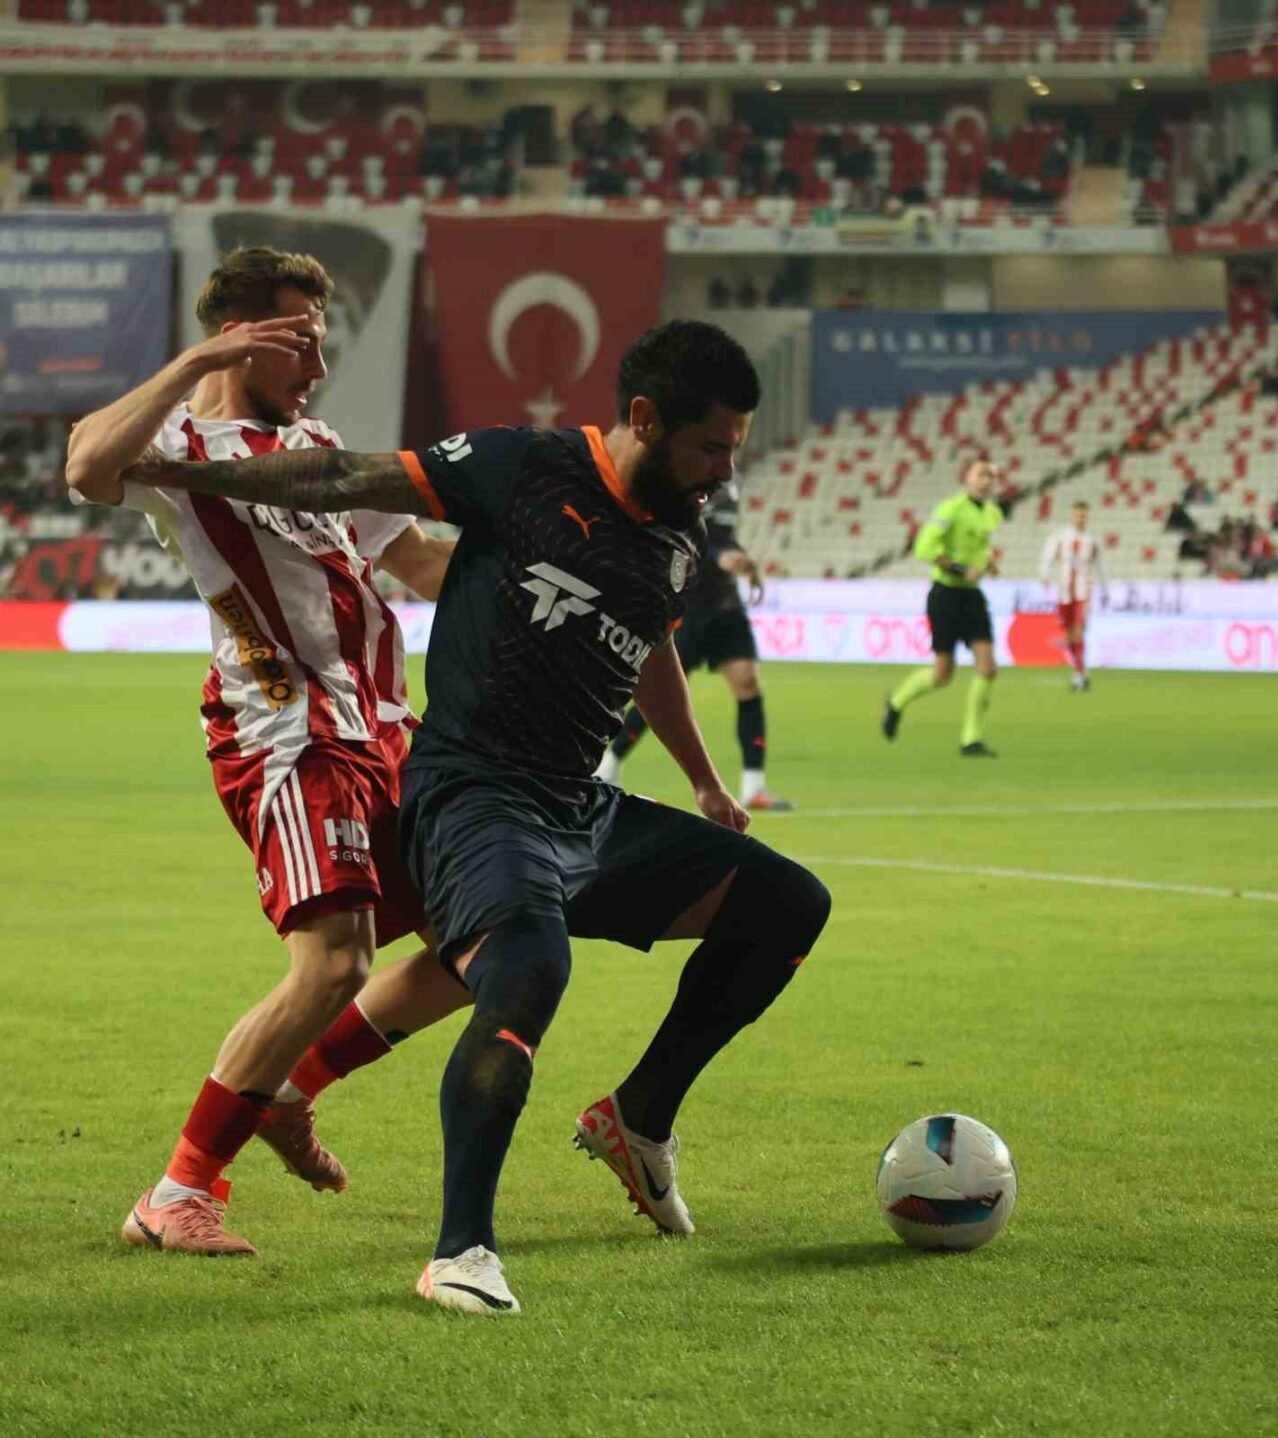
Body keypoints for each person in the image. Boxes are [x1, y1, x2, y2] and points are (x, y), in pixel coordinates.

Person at [125, 320, 832, 1314]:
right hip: (470, 792)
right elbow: (343, 480)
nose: (724, 470)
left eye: (733, 449)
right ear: (642, 418)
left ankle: (637, 1118)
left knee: (788, 904)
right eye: (710, 446)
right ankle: (459, 1252)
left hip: (576, 803)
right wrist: (192, 476)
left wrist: (707, 781)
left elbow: (651, 647)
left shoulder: (677, 531)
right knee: (526, 965)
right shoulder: (522, 467)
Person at [66, 246, 470, 1258]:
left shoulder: (315, 445)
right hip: (291, 733)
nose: (319, 367)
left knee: (486, 941)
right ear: (239, 337)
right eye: (301, 343)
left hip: (384, 732)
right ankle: (175, 1193)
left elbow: (419, 560)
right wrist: (195, 361)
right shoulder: (176, 441)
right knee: (333, 962)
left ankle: (288, 1089)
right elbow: (83, 466)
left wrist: (550, 559)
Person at [596, 482, 794, 811]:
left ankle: (754, 786)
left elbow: (721, 536)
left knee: (747, 682)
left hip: (725, 605)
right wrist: (717, 557)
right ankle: (609, 765)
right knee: (662, 692)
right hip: (689, 604)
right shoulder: (685, 478)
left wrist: (742, 562)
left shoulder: (727, 486)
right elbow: (681, 533)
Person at [881, 458, 1003, 757]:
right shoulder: (950, 509)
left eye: (990, 476)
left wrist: (988, 562)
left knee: (988, 668)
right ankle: (896, 702)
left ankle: (971, 739)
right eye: (981, 475)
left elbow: (980, 546)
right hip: (945, 595)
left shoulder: (992, 513)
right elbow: (923, 547)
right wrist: (960, 569)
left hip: (972, 596)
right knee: (942, 674)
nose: (986, 481)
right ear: (967, 478)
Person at [1040, 499, 1107, 692]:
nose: (1080, 518)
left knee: (1078, 632)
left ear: (1088, 517)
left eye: (1084, 515)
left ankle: (1079, 675)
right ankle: (1081, 671)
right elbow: (1048, 556)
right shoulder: (1060, 537)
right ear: (1071, 516)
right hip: (1064, 593)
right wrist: (1044, 575)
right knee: (1070, 636)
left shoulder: (1091, 541)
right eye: (1078, 514)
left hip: (1083, 592)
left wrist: (1105, 588)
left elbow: (1100, 566)